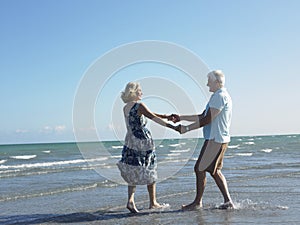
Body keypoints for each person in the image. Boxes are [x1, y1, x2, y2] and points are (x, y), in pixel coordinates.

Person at [172, 70, 235, 210]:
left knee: (199, 168)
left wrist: (186, 129)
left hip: (215, 139)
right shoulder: (218, 96)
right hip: (217, 138)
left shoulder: (219, 96)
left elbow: (207, 119)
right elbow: (202, 115)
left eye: (209, 81)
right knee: (214, 171)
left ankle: (197, 203)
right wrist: (181, 118)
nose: (207, 84)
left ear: (217, 82)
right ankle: (227, 201)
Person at [117, 81, 180, 213]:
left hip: (130, 140)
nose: (142, 92)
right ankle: (153, 203)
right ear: (134, 92)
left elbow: (150, 113)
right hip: (143, 141)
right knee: (150, 168)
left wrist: (166, 116)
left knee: (132, 170)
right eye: (140, 90)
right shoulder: (139, 105)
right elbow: (152, 117)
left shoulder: (126, 107)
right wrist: (173, 127)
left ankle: (130, 200)